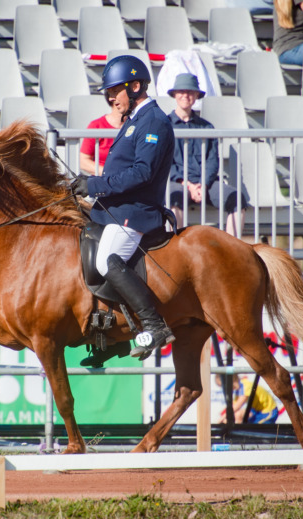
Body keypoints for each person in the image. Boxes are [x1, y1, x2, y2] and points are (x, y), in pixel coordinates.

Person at [70, 55, 176, 366]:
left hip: (135, 210)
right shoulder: (134, 120)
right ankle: (111, 334)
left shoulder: (154, 121)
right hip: (114, 207)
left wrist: (94, 185)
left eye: (114, 91)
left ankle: (155, 326)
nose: (110, 98)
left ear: (135, 86)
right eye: (108, 93)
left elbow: (142, 172)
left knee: (106, 260)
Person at [167, 73, 248, 238]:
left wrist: (202, 185)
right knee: (173, 197)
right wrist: (187, 184)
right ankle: (175, 249)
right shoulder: (164, 125)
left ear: (197, 96)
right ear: (175, 94)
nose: (185, 95)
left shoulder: (206, 126)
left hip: (205, 184)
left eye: (190, 92)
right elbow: (165, 163)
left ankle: (231, 251)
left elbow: (212, 161)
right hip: (178, 182)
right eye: (181, 91)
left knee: (236, 198)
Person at [78, 98, 124, 176]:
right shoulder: (96, 125)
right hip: (103, 181)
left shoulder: (137, 125)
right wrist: (108, 173)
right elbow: (83, 161)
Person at [215, 373, 280, 424]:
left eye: (222, 386)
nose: (224, 388)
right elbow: (233, 408)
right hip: (256, 411)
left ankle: (238, 436)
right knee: (237, 415)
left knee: (237, 416)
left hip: (268, 412)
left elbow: (237, 406)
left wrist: (221, 420)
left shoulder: (246, 386)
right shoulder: (239, 389)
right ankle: (237, 435)